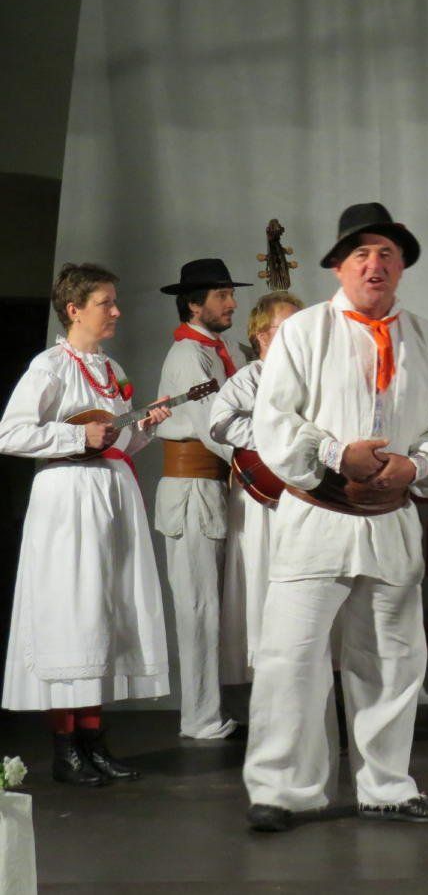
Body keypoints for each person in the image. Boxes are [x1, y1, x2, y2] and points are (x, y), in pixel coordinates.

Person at [243, 202, 428, 832]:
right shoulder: (304, 331)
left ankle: (387, 786)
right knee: (291, 658)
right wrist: (338, 454)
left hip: (389, 520)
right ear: (339, 266)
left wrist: (415, 466)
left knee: (391, 660)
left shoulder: (427, 339)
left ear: (402, 267)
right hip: (318, 517)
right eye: (361, 253)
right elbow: (274, 420)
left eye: (386, 254)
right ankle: (282, 790)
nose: (374, 264)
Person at [0, 263, 171, 785]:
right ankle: (65, 747)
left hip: (110, 495)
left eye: (115, 301)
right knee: (71, 611)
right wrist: (77, 438)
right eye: (105, 303)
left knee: (105, 610)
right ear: (74, 310)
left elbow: (116, 441)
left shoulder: (111, 369)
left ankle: (94, 740)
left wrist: (143, 426)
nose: (116, 311)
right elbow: (10, 433)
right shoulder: (50, 366)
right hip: (69, 499)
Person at [156, 258, 249, 740]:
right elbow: (216, 427)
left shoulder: (220, 349)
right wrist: (266, 459)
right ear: (194, 304)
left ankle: (211, 709)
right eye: (221, 295)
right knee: (197, 605)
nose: (232, 303)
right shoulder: (188, 356)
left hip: (215, 486)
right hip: (192, 489)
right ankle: (199, 716)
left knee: (214, 604)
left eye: (231, 293)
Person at [209, 291, 302, 687]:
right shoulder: (249, 378)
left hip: (305, 497)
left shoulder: (312, 377)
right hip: (263, 499)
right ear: (262, 335)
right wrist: (272, 436)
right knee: (263, 576)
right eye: (289, 328)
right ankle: (266, 678)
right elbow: (220, 423)